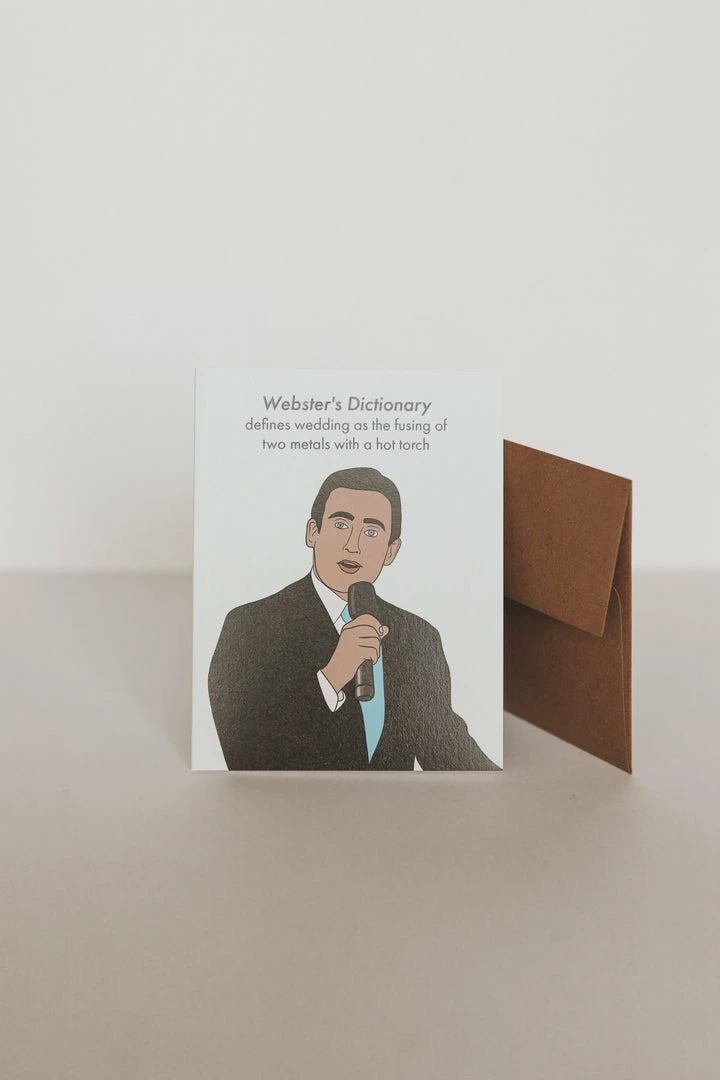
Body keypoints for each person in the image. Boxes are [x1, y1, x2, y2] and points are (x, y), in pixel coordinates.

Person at [208, 467, 498, 771]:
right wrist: (332, 676)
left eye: (371, 532)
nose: (353, 545)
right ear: (313, 532)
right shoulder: (250, 626)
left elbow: (446, 749)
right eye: (341, 524)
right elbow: (246, 755)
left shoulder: (418, 635)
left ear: (391, 551)